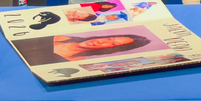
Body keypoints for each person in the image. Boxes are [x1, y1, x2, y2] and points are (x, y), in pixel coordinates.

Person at [14, 33, 151, 65]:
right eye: (110, 38)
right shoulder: (59, 37)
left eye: (113, 44)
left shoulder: (78, 61)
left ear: (109, 50)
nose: (102, 42)